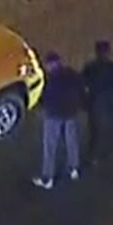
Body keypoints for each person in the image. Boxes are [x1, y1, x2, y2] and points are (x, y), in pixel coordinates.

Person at [32, 51, 85, 189]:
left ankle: (47, 178)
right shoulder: (71, 73)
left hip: (53, 115)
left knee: (50, 146)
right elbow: (81, 88)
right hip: (70, 112)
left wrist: (41, 109)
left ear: (49, 65)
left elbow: (43, 98)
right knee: (71, 141)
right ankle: (74, 169)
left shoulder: (49, 79)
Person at [81, 39, 113, 165]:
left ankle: (93, 155)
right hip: (111, 102)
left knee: (95, 130)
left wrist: (85, 100)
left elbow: (83, 84)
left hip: (95, 102)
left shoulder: (90, 67)